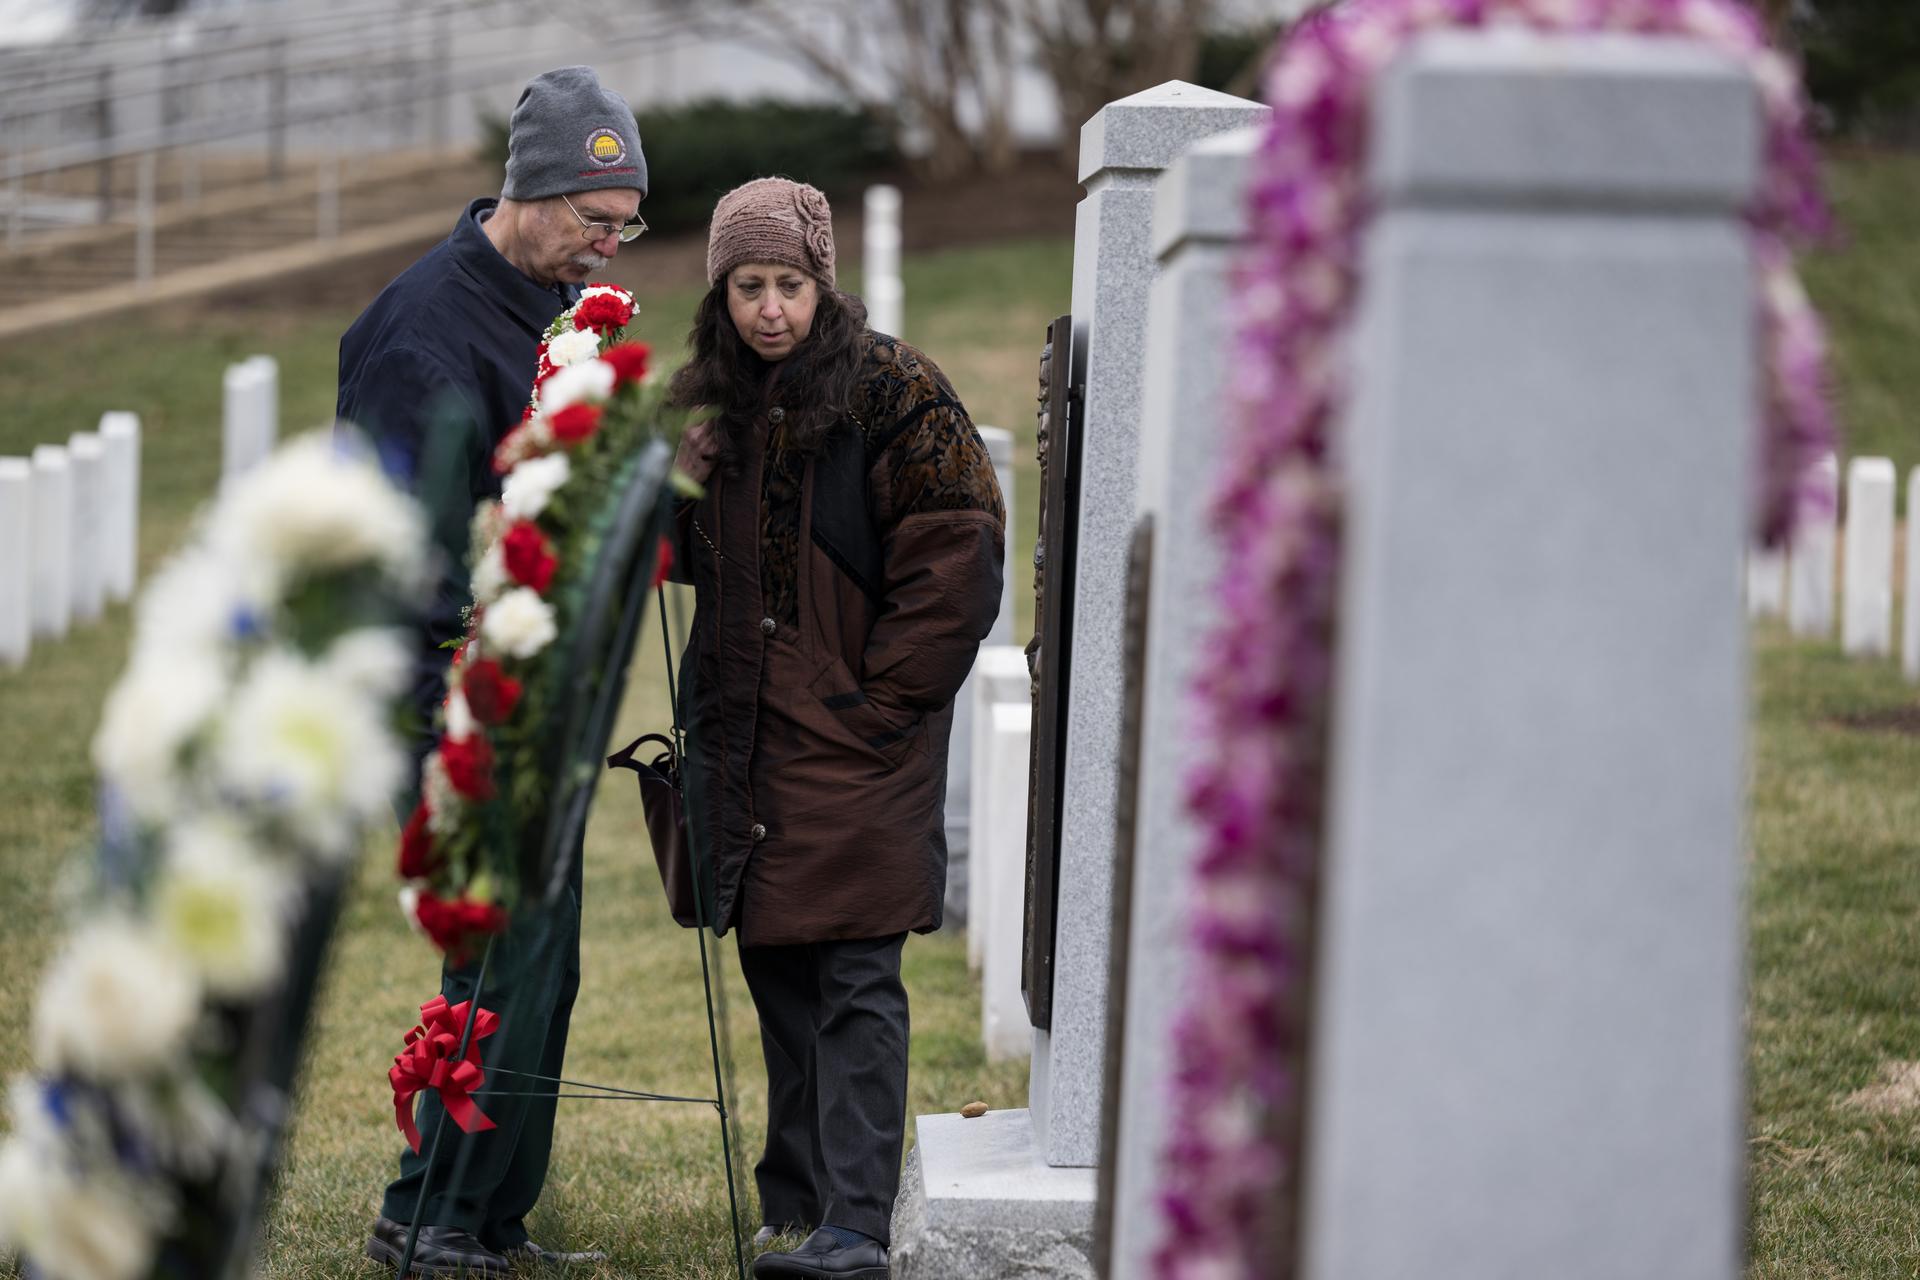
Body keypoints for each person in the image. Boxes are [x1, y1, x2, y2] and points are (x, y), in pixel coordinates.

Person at [335, 65, 647, 1277]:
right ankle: (425, 1211)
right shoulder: (424, 333)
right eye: (591, 220)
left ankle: (491, 1216)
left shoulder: (549, 302)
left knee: (546, 945)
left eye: (624, 228)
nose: (606, 247)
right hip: (442, 683)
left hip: (530, 684)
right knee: (503, 935)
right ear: (529, 190)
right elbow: (398, 553)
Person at [667, 178, 1006, 1279]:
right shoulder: (702, 405)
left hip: (858, 738)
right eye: (749, 285)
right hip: (746, 736)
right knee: (779, 968)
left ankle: (855, 1222)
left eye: (791, 284)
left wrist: (885, 701)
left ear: (825, 282)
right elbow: (672, 552)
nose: (771, 308)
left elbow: (957, 547)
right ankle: (798, 1198)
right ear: (722, 292)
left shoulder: (895, 390)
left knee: (856, 974)